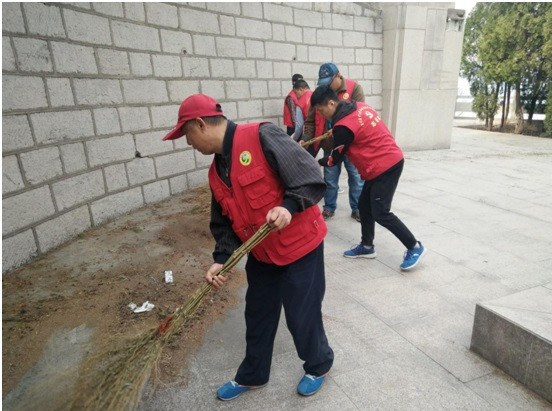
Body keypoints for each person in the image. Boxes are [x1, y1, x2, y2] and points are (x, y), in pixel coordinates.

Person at [163, 94, 334, 400]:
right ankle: (253, 374)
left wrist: (288, 206)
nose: (189, 143)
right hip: (263, 253)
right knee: (258, 313)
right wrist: (220, 259)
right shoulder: (216, 173)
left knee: (301, 312)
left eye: (186, 135)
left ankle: (319, 364)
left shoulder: (261, 135)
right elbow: (224, 225)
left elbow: (309, 176)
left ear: (200, 125)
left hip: (300, 246)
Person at [310, 85, 427, 271]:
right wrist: (339, 133)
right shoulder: (358, 106)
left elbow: (335, 159)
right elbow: (357, 129)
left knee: (380, 212)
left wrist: (316, 162)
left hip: (385, 166)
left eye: (321, 110)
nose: (320, 114)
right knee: (364, 205)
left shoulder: (342, 127)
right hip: (382, 162)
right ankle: (367, 247)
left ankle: (415, 247)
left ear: (331, 103)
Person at [302, 63, 364, 222]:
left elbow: (360, 115)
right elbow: (310, 121)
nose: (326, 85)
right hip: (329, 145)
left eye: (329, 81)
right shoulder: (320, 94)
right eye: (323, 83)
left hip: (350, 147)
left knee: (356, 179)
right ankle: (329, 208)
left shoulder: (354, 88)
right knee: (329, 179)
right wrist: (305, 139)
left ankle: (357, 209)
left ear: (338, 76)